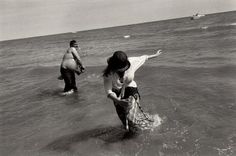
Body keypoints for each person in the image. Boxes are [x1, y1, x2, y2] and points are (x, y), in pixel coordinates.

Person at [103, 50, 162, 132]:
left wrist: (156, 55)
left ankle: (143, 126)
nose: (124, 70)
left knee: (131, 119)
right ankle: (131, 133)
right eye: (121, 69)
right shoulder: (108, 73)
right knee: (123, 119)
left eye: (125, 68)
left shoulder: (131, 62)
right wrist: (118, 101)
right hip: (116, 94)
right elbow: (108, 91)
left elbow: (144, 57)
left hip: (131, 89)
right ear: (114, 67)